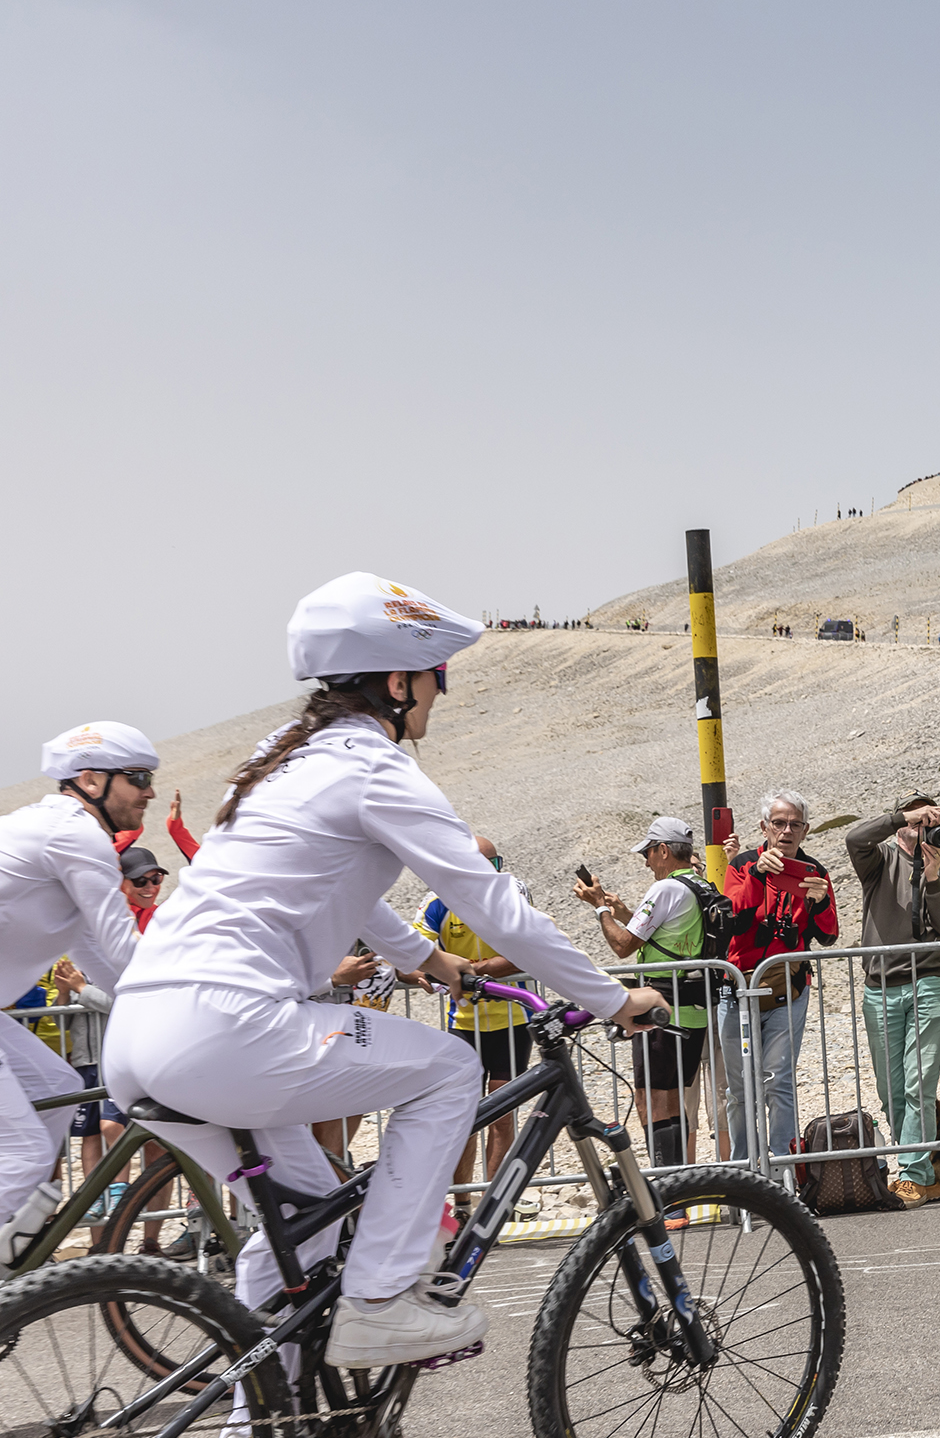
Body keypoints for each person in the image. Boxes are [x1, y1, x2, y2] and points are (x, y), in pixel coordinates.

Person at [105, 575, 665, 1369]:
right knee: (448, 1069)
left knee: (305, 1223)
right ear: (397, 680)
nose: (443, 689)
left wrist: (432, 961)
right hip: (231, 1027)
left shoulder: (277, 759)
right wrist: (611, 997)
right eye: (438, 673)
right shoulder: (375, 768)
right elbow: (496, 905)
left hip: (141, 1036)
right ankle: (379, 1300)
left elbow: (339, 883)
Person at [0, 722, 156, 1265]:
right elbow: (126, 948)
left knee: (57, 1083)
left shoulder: (60, 832)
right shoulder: (78, 836)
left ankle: (14, 1256)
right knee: (20, 1157)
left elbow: (104, 960)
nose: (150, 791)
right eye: (137, 778)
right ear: (90, 780)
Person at [576, 817, 716, 1173]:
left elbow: (623, 946)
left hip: (660, 1008)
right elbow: (662, 934)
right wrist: (622, 910)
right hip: (692, 1006)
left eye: (649, 853)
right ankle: (680, 1186)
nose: (646, 861)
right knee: (670, 1100)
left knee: (650, 1101)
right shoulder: (698, 884)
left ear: (664, 851)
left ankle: (666, 1189)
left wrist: (600, 908)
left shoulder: (665, 889)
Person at [845, 793, 940, 1207]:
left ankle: (912, 1174)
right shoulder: (878, 859)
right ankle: (924, 1167)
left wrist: (932, 876)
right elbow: (854, 837)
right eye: (914, 821)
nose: (919, 831)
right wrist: (903, 818)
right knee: (891, 1089)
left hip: (928, 981)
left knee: (919, 1083)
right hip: (879, 986)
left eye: (926, 823)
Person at [420, 834, 538, 1221]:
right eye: (486, 865)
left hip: (511, 1020)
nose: (494, 873)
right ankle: (465, 1203)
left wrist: (471, 970)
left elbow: (524, 950)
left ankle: (495, 1202)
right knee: (465, 1118)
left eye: (497, 864)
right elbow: (417, 953)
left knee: (502, 1115)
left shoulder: (512, 893)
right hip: (465, 1024)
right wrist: (437, 968)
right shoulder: (436, 901)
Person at [720, 793, 841, 1160]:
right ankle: (743, 1167)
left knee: (779, 1082)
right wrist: (758, 875)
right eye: (779, 823)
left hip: (788, 989)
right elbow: (734, 920)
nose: (786, 831)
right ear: (764, 827)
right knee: (739, 1088)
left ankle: (784, 1167)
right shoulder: (742, 864)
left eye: (795, 824)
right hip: (738, 987)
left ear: (805, 831)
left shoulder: (814, 872)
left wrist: (820, 903)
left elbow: (829, 934)